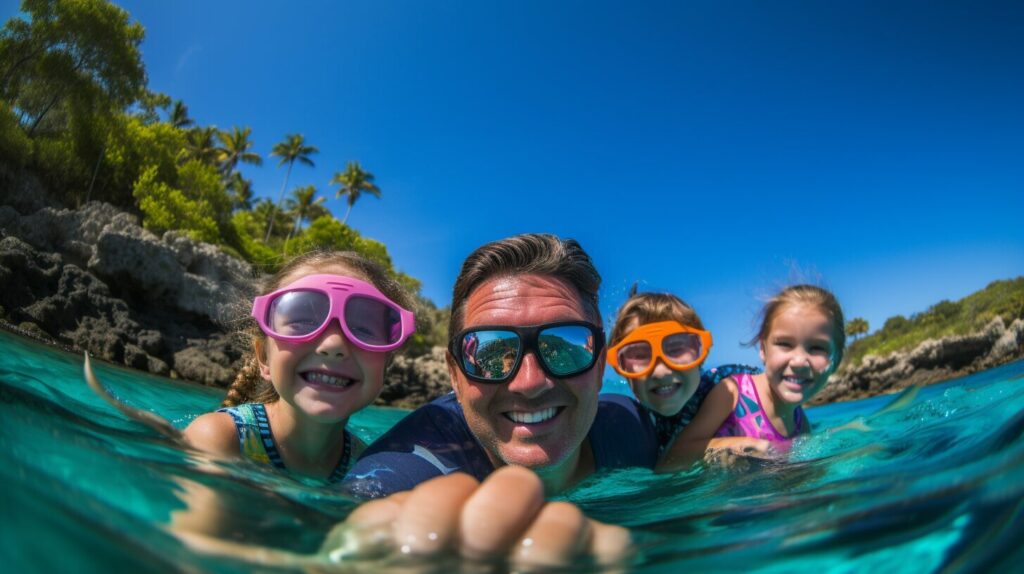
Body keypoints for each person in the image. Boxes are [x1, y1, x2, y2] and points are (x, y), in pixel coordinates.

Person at [344, 234, 659, 497]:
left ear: (601, 365)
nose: (530, 382)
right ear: (454, 374)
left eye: (564, 343)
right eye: (489, 357)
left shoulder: (634, 428)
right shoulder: (405, 472)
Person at [182, 250, 416, 483]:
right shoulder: (219, 438)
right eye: (303, 321)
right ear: (264, 357)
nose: (333, 344)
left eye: (363, 330)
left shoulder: (367, 467)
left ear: (386, 365)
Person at [659, 284, 846, 470]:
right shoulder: (733, 393)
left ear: (835, 362)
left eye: (817, 348)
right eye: (785, 344)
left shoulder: (800, 423)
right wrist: (735, 445)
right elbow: (672, 459)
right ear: (763, 349)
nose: (799, 361)